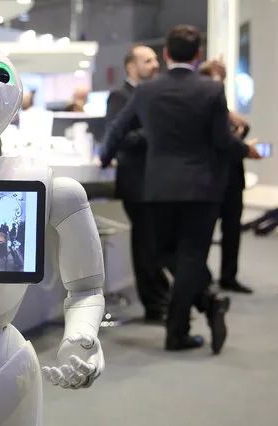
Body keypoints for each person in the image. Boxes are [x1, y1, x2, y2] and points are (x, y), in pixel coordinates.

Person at [100, 25, 260, 355]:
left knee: (164, 252)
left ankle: (188, 321)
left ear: (167, 54)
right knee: (189, 255)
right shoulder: (210, 91)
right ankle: (193, 315)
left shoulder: (147, 91)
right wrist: (248, 150)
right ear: (198, 54)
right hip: (203, 186)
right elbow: (221, 140)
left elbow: (117, 128)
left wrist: (105, 156)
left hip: (158, 185)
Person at [104, 44, 170, 324]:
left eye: (156, 59)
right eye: (148, 60)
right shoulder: (120, 96)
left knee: (158, 242)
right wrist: (156, 130)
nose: (155, 64)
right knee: (146, 244)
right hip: (136, 181)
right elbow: (120, 137)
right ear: (131, 66)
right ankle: (155, 305)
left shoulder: (154, 94)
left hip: (158, 181)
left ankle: (162, 297)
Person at [198, 60, 254, 294]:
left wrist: (238, 130)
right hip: (209, 178)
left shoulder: (224, 108)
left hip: (233, 177)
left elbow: (237, 132)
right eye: (217, 76)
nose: (220, 81)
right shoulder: (200, 105)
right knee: (203, 232)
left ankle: (228, 277)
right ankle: (202, 277)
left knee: (232, 231)